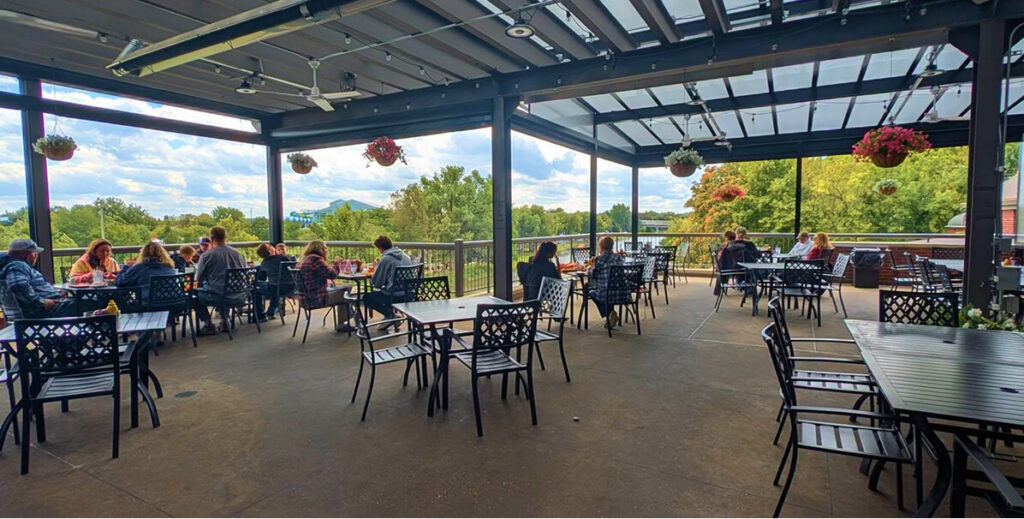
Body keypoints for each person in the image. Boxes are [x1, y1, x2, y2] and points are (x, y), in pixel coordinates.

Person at [0, 238, 78, 319]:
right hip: (44, 312)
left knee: (81, 302)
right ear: (23, 254)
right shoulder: (18, 265)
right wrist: (41, 302)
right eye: (34, 253)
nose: (36, 256)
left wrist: (53, 292)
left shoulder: (11, 266)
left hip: (43, 309)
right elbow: (17, 285)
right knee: (88, 304)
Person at [193, 226, 248, 335]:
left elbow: (198, 278)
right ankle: (224, 321)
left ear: (212, 238)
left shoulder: (206, 256)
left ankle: (208, 324)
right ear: (225, 237)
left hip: (219, 296)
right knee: (222, 287)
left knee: (194, 296)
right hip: (240, 295)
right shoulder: (238, 254)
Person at [296, 240, 352, 330]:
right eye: (325, 248)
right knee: (346, 288)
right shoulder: (316, 259)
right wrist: (336, 265)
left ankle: (348, 314)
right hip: (316, 298)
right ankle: (346, 320)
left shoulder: (304, 259)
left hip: (304, 298)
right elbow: (332, 275)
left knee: (343, 294)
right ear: (321, 249)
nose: (326, 250)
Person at [365, 235, 412, 328]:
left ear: (381, 248)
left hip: (393, 296)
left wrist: (376, 268)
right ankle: (390, 316)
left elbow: (377, 282)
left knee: (367, 297)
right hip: (408, 293)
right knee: (385, 292)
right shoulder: (406, 257)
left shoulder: (386, 259)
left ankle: (391, 315)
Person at [588, 236, 624, 329]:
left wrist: (591, 267)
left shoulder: (599, 259)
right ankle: (611, 315)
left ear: (601, 247)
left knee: (592, 293)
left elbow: (593, 276)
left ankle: (609, 315)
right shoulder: (619, 257)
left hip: (606, 293)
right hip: (621, 293)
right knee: (608, 290)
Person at [255, 242, 288, 320]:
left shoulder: (264, 263)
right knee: (274, 285)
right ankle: (271, 311)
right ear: (270, 251)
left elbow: (261, 278)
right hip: (291, 287)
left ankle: (259, 314)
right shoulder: (282, 258)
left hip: (276, 288)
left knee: (255, 287)